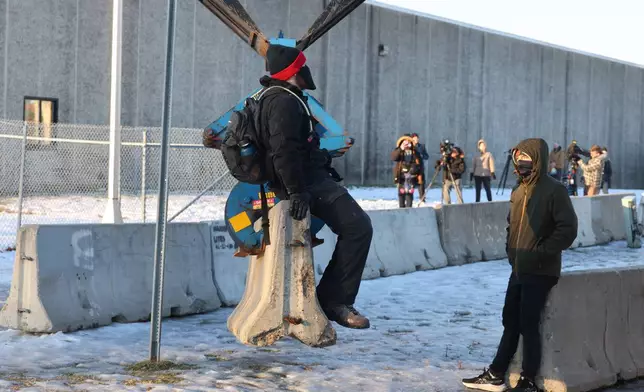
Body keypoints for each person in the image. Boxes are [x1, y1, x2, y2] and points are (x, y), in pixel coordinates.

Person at [257, 44, 372, 329]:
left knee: (356, 226)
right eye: (303, 66)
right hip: (308, 182)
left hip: (306, 178)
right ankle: (335, 300)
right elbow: (284, 151)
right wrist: (296, 191)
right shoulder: (284, 101)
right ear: (296, 70)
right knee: (357, 226)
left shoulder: (277, 97)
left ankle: (330, 298)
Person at [462, 138, 578, 392]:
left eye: (525, 159)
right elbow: (511, 225)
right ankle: (496, 373)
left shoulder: (554, 190)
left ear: (537, 160)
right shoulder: (518, 190)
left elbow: (568, 229)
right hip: (519, 267)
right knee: (510, 320)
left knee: (527, 323)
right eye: (517, 159)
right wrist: (511, 252)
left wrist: (540, 252)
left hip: (540, 269)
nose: (519, 164)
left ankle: (528, 379)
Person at [391, 135, 422, 208]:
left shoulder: (415, 152)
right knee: (401, 194)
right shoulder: (399, 151)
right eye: (405, 143)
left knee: (409, 194)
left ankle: (409, 208)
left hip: (411, 176)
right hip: (401, 176)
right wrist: (400, 149)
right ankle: (401, 208)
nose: (407, 145)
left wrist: (416, 171)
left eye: (408, 143)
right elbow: (394, 158)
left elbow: (419, 163)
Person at [411, 133, 429, 199]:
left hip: (420, 168)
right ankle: (410, 198)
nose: (416, 139)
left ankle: (422, 198)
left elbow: (427, 156)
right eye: (415, 138)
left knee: (421, 183)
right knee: (411, 184)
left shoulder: (422, 146)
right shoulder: (409, 146)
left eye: (417, 138)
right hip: (411, 168)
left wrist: (422, 156)